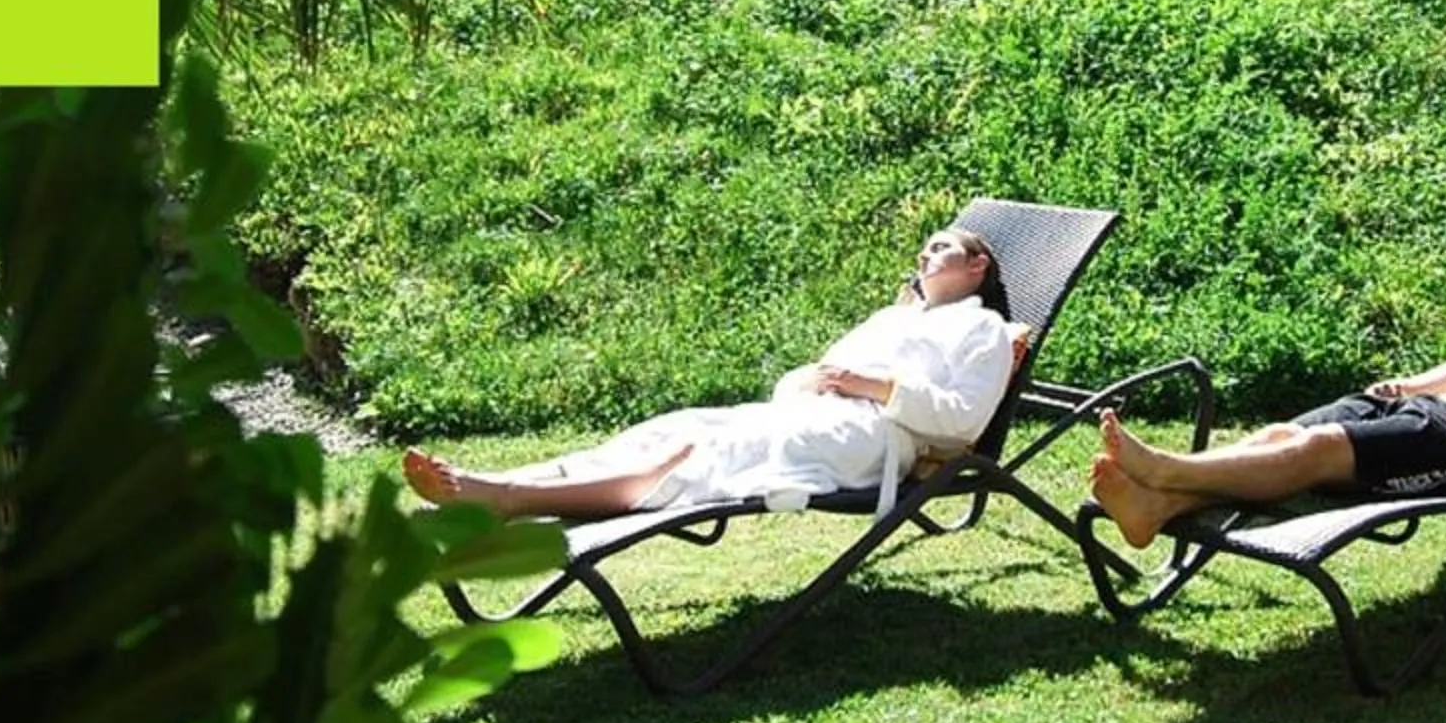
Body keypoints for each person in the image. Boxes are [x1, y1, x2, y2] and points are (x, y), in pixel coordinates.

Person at [403, 227, 1015, 520]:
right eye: (923, 248)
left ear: (977, 265)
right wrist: (810, 382)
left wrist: (873, 387)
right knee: (674, 429)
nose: (923, 255)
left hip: (871, 439)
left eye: (940, 248)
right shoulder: (892, 317)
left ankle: (507, 500)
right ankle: (499, 481)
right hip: (813, 416)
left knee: (702, 456)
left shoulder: (982, 329)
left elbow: (962, 425)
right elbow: (814, 375)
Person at [1088, 253, 1446, 549]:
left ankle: (1165, 471)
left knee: (1322, 448)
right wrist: (1400, 388)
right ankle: (1155, 509)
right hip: (1415, 414)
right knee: (1281, 436)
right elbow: (1423, 382)